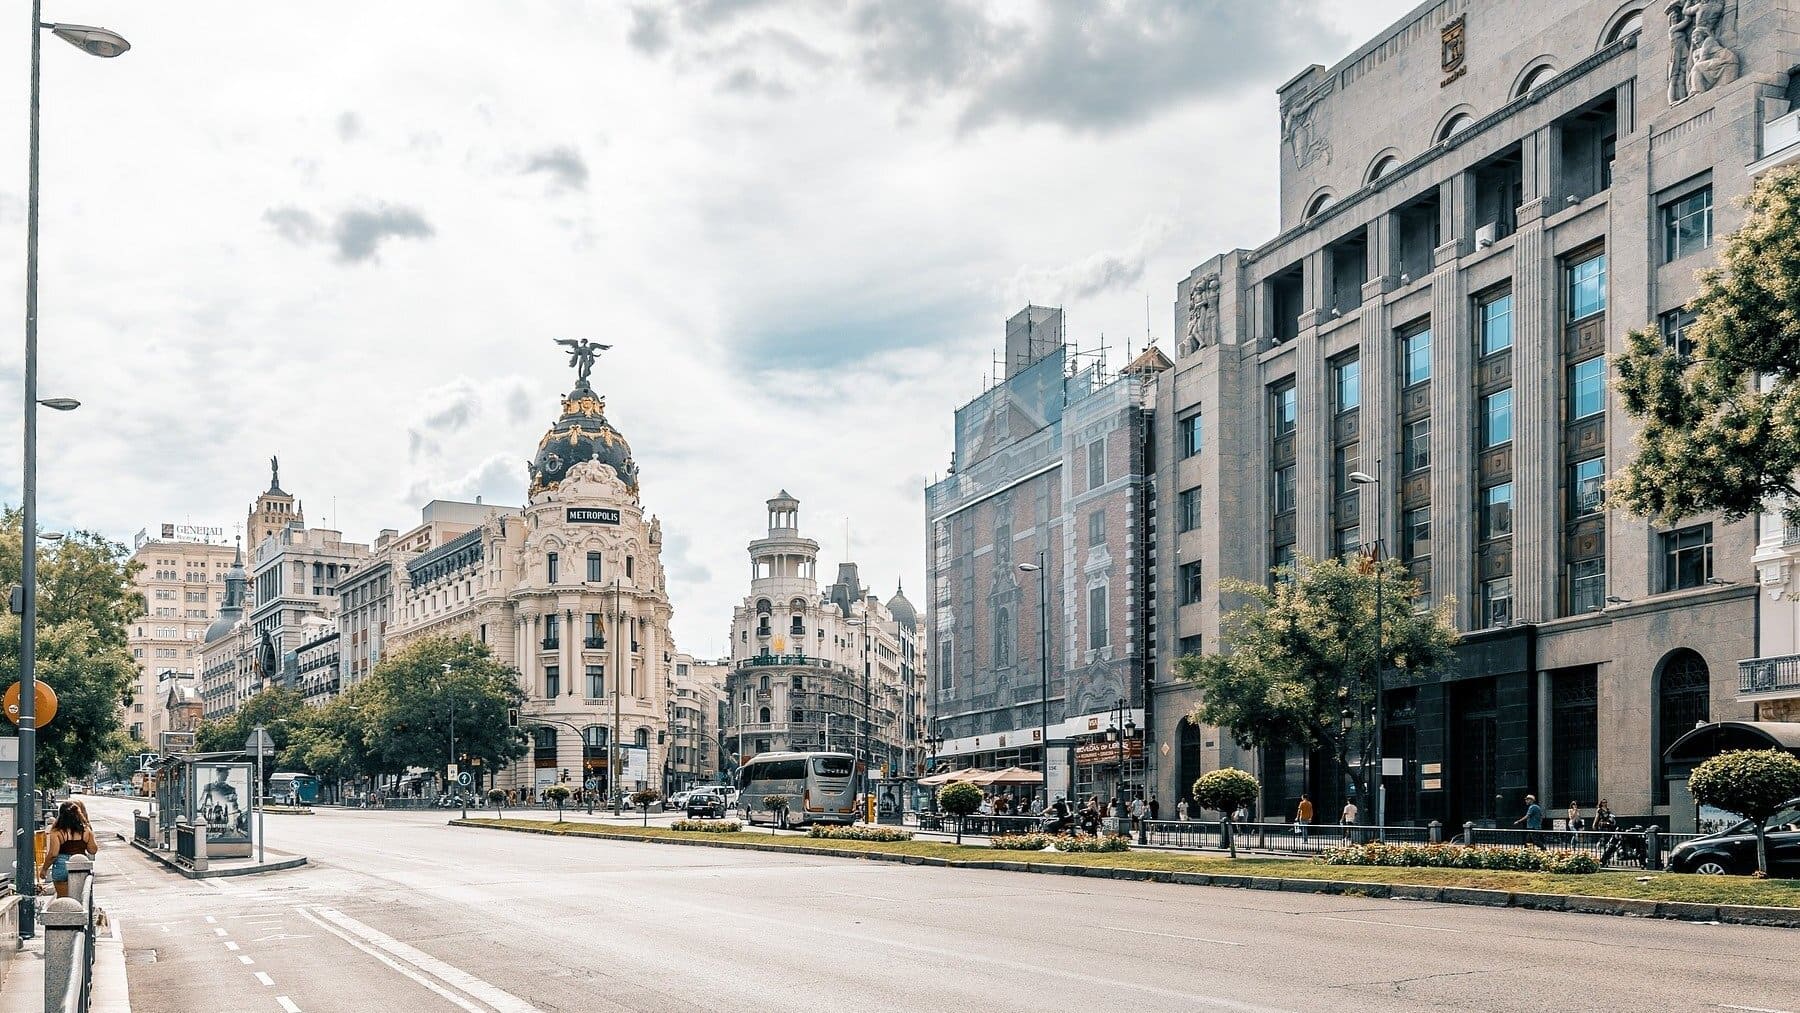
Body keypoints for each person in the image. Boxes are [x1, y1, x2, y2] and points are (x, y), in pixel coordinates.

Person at [38, 802, 98, 900]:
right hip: (80, 865)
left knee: (63, 900)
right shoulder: (86, 830)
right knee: (81, 898)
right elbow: (93, 850)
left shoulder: (56, 832)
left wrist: (44, 869)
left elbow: (53, 854)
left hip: (62, 865)